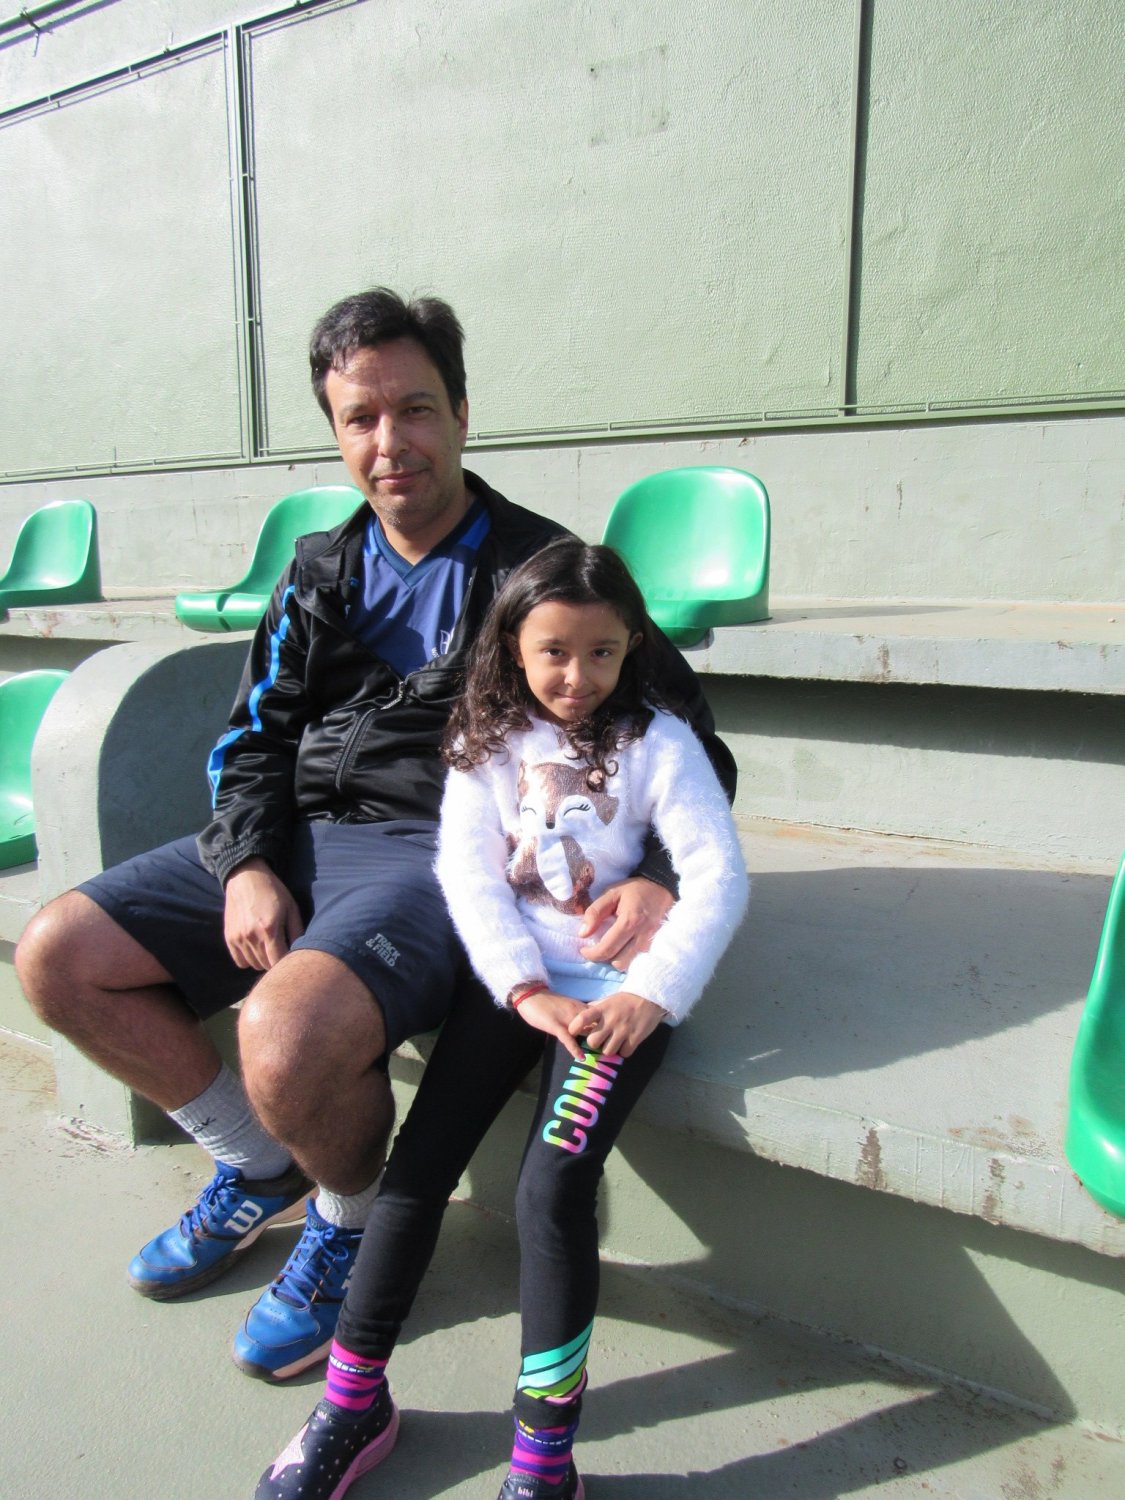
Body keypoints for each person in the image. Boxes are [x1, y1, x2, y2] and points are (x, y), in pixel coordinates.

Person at [15, 290, 736, 1384]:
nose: (390, 442)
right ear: (338, 432)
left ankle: (345, 1221)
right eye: (360, 418)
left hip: (436, 855)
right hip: (300, 833)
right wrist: (248, 861)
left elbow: (689, 745)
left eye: (415, 409)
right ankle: (256, 1163)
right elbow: (252, 738)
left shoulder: (542, 572)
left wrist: (660, 875)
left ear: (461, 414)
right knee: (59, 955)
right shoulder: (318, 569)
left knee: (283, 1035)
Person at [253, 538, 749, 1500]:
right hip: (521, 987)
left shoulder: (660, 741)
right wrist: (523, 989)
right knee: (416, 1170)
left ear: (631, 646)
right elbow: (466, 873)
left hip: (612, 999)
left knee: (549, 1191)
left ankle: (543, 1456)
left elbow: (715, 873)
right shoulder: (485, 744)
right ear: (513, 647)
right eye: (553, 651)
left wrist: (648, 994)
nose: (577, 677)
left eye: (601, 652)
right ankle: (351, 1404)